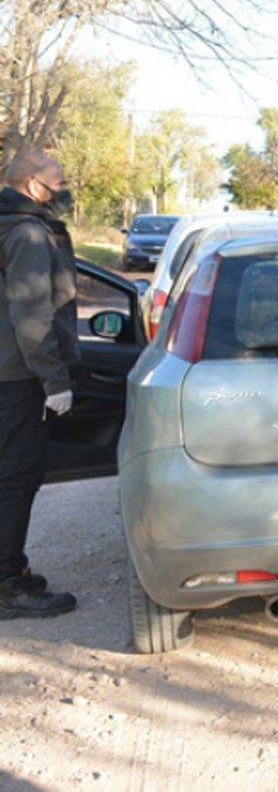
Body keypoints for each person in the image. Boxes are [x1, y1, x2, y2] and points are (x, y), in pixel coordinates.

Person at [0, 151, 81, 619]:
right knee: (16, 479)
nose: (64, 189)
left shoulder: (8, 225)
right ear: (33, 185)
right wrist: (54, 379)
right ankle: (9, 587)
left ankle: (10, 568)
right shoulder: (29, 233)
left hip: (6, 372)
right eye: (59, 181)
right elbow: (32, 316)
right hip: (18, 378)